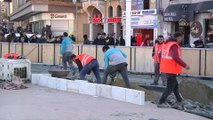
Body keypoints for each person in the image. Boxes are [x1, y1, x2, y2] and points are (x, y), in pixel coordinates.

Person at [158, 32, 190, 108]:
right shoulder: (174, 45)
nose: (182, 39)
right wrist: (185, 65)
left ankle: (179, 100)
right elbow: (175, 57)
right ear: (178, 37)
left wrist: (164, 63)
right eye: (181, 38)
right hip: (171, 69)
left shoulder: (167, 44)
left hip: (167, 68)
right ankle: (161, 102)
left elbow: (160, 55)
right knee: (170, 87)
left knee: (175, 86)